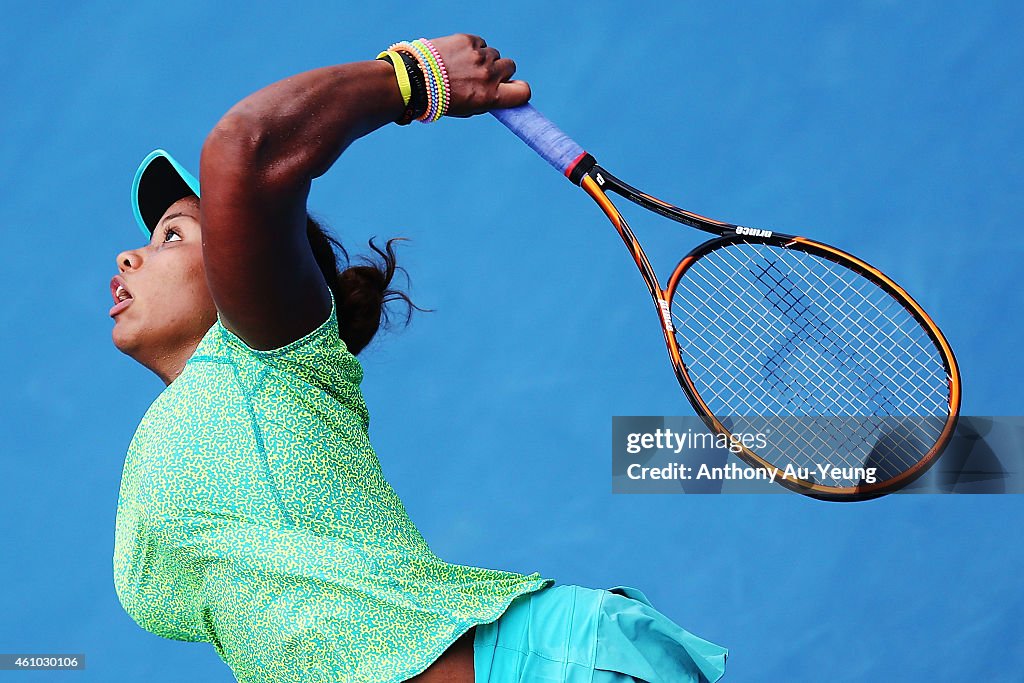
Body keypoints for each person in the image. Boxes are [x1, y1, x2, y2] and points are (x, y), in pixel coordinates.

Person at [110, 33, 728, 683]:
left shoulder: (265, 357)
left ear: (241, 271)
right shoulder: (180, 441)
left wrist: (415, 77)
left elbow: (243, 149)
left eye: (174, 233)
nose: (130, 256)